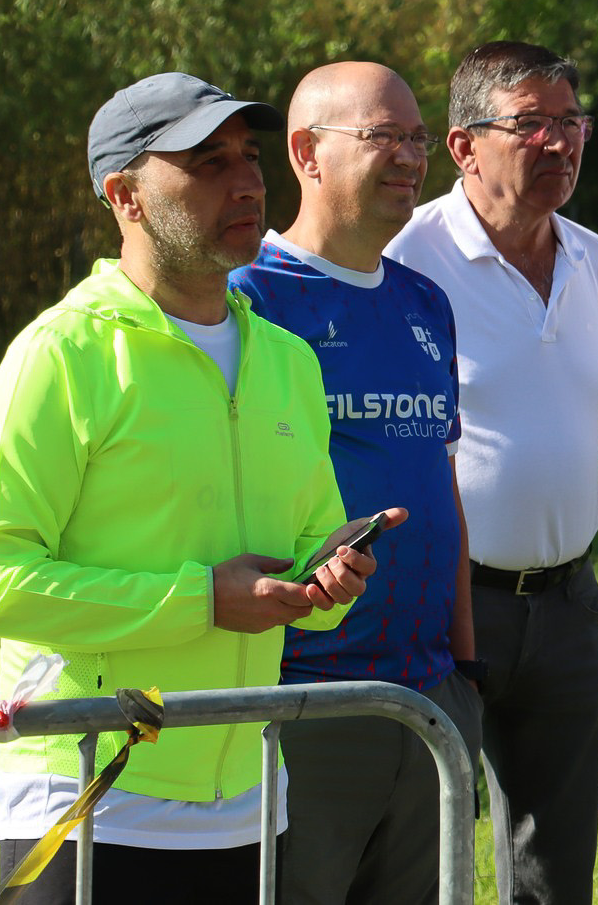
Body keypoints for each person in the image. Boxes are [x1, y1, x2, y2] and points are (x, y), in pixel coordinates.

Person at [0, 72, 397, 905]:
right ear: (126, 195)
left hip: (250, 802)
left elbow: (304, 570)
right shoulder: (59, 356)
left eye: (249, 155)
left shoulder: (289, 361)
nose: (248, 181)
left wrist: (326, 579)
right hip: (90, 796)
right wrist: (201, 600)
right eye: (207, 161)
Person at [229, 62, 484, 904]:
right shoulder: (246, 299)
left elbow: (442, 489)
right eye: (384, 136)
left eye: (418, 137)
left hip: (430, 697)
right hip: (305, 697)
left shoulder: (426, 301)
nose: (411, 156)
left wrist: (466, 671)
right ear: (306, 152)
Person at [386, 41, 598, 905]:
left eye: (571, 120)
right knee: (423, 854)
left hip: (567, 604)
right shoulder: (406, 262)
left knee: (555, 873)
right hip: (443, 605)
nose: (559, 141)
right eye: (530, 123)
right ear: (464, 146)